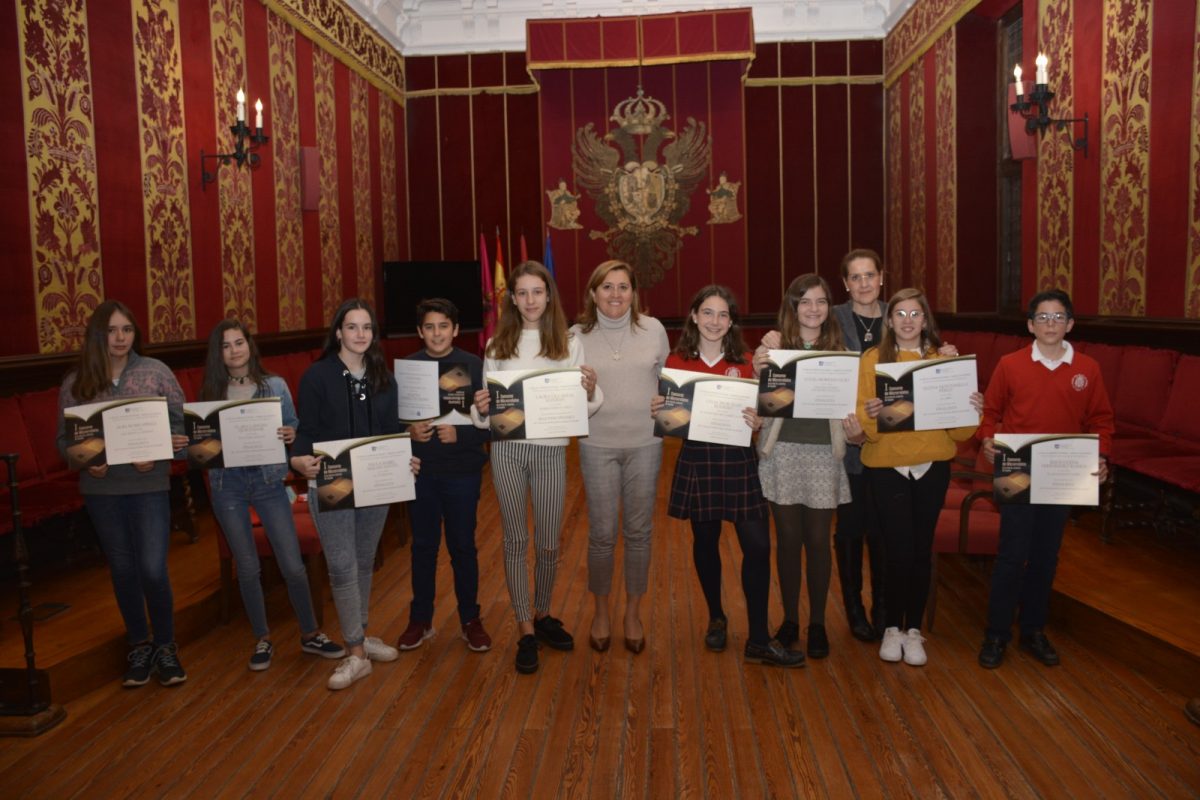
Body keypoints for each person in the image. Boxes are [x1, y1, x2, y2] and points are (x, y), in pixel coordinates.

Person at [654, 285, 803, 668]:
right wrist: (661, 410)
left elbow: (770, 408)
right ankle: (716, 616)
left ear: (731, 321)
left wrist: (760, 418)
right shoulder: (676, 362)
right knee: (705, 541)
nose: (715, 321)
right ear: (694, 316)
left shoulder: (751, 361)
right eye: (707, 312)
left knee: (756, 545)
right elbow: (672, 420)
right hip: (699, 459)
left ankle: (757, 636)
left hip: (738, 460)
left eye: (723, 315)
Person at [472, 261, 602, 674]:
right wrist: (480, 409)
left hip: (550, 451)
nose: (530, 300)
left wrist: (590, 387)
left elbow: (587, 404)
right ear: (512, 298)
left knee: (548, 541)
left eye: (537, 292)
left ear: (549, 296)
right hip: (507, 451)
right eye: (522, 293)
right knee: (514, 541)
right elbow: (486, 413)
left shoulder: (567, 343)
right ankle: (525, 627)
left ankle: (543, 613)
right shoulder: (496, 347)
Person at [977, 289, 1114, 669]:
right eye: (1043, 317)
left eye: (1058, 318)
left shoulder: (1088, 369)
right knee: (1010, 556)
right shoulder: (1010, 364)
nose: (1050, 324)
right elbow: (990, 412)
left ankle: (1034, 630)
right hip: (1017, 474)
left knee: (1045, 558)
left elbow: (1101, 421)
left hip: (1062, 477)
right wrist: (987, 438)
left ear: (1070, 324)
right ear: (1030, 325)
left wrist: (1101, 457)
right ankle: (996, 634)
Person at [56, 300, 190, 687]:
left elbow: (183, 430)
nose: (120, 338)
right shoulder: (76, 381)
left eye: (127, 330)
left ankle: (166, 645)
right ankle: (139, 645)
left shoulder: (157, 372)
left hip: (148, 485)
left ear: (136, 334)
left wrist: (162, 450)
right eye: (112, 331)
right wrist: (84, 460)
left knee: (151, 566)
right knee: (124, 569)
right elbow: (64, 440)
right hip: (102, 489)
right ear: (99, 335)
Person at [199, 319, 344, 671]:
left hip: (268, 482)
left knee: (293, 565)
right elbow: (202, 444)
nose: (234, 350)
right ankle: (261, 639)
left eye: (239, 342)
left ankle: (310, 634)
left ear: (250, 345)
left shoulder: (274, 385)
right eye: (226, 345)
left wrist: (286, 431)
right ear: (218, 354)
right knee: (247, 567)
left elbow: (294, 425)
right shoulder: (210, 394)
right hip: (227, 485)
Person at [290, 298, 418, 690]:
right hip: (331, 483)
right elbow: (306, 430)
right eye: (352, 327)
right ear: (338, 332)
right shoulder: (317, 376)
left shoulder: (384, 376)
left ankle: (360, 637)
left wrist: (406, 460)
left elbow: (393, 429)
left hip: (376, 483)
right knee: (343, 566)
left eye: (367, 327)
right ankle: (355, 652)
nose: (360, 334)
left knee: (363, 562)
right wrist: (296, 459)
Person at [856, 288, 980, 666]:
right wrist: (873, 413)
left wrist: (972, 408)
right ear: (889, 321)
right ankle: (891, 627)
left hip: (932, 465)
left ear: (925, 320)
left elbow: (961, 434)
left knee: (921, 550)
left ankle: (913, 631)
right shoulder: (872, 360)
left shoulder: (945, 361)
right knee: (897, 550)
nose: (908, 321)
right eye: (900, 315)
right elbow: (863, 421)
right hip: (887, 466)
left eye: (915, 314)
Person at [753, 275, 856, 659]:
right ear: (792, 306)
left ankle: (816, 624)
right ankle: (791, 620)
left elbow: (851, 406)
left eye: (821, 301)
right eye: (805, 301)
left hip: (823, 454)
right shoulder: (773, 348)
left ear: (830, 307)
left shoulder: (842, 351)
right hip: (782, 452)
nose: (813, 309)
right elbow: (757, 404)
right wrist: (757, 367)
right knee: (788, 541)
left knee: (817, 542)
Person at [571, 260, 669, 654]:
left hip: (646, 443)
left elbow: (670, 380)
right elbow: (563, 395)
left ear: (634, 292)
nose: (615, 295)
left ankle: (632, 611)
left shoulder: (654, 329)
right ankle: (600, 612)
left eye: (623, 287)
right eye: (607, 287)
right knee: (602, 535)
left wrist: (669, 403)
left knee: (639, 533)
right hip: (597, 445)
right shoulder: (575, 336)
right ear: (593, 293)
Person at [398, 298, 492, 654]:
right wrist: (408, 432)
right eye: (429, 327)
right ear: (420, 331)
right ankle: (420, 619)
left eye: (443, 326)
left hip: (462, 473)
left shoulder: (473, 365)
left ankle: (470, 618)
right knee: (423, 547)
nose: (436, 333)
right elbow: (391, 421)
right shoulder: (407, 368)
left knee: (462, 547)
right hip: (420, 473)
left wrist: (462, 433)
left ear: (455, 329)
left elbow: (491, 426)